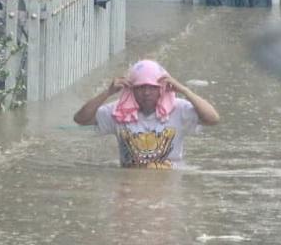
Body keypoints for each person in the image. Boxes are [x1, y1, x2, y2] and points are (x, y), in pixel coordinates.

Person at [73, 59, 219, 168]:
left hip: (167, 181)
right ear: (131, 89)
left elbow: (213, 119)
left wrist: (185, 90)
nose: (147, 93)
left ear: (161, 89)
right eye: (140, 88)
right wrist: (108, 92)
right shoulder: (119, 112)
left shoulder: (179, 109)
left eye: (152, 87)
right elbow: (81, 119)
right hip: (129, 182)